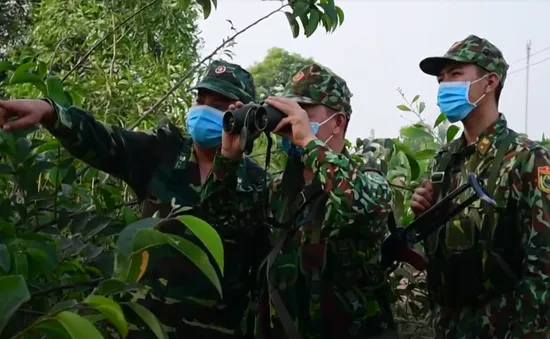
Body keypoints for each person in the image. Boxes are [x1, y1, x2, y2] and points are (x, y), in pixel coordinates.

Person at [0, 60, 271, 339]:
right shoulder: (161, 153)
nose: (203, 110)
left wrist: (230, 158)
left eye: (219, 104)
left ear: (248, 117)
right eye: (200, 100)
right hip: (139, 328)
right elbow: (104, 140)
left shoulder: (258, 184)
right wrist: (50, 112)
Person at [203, 63, 399, 338]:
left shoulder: (369, 183)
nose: (291, 120)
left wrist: (308, 141)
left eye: (304, 112)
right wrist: (228, 159)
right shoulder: (278, 189)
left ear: (339, 122)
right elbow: (217, 220)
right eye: (288, 111)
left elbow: (354, 202)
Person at [411, 34, 550, 338]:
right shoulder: (445, 160)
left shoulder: (527, 158)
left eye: (456, 74)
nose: (445, 86)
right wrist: (425, 216)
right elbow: (444, 253)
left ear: (490, 83)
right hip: (449, 327)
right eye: (441, 79)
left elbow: (543, 267)